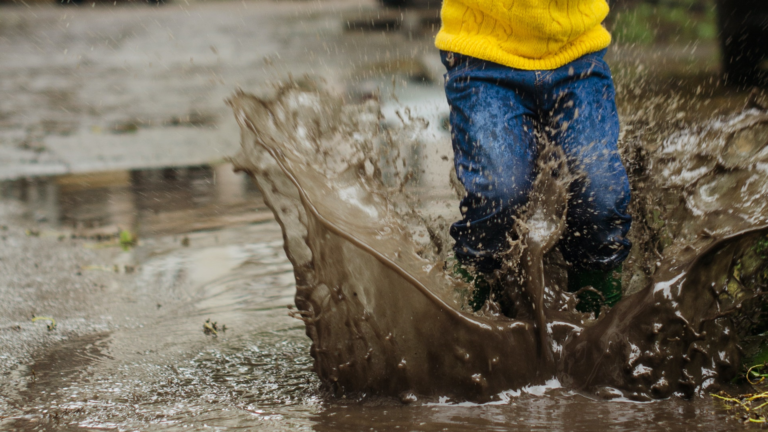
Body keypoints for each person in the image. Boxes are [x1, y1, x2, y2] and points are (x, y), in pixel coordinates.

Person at [435, 0, 632, 313]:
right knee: (500, 192)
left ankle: (599, 318)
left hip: (576, 50)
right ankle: (468, 307)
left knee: (600, 193)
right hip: (483, 54)